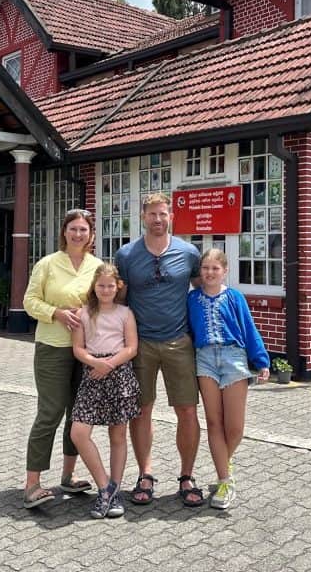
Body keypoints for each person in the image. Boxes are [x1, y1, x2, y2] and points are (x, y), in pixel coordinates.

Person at [115, 192, 204, 507]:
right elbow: (119, 301)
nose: (157, 220)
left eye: (163, 214)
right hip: (141, 345)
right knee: (142, 411)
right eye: (152, 214)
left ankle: (187, 476)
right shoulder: (126, 255)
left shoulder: (189, 252)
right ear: (143, 217)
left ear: (171, 217)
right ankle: (146, 474)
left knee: (188, 410)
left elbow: (202, 292)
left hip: (180, 342)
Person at [21, 209, 101, 509]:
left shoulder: (97, 266)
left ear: (91, 234)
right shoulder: (47, 264)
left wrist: (90, 313)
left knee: (77, 414)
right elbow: (29, 301)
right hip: (52, 347)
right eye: (73, 229)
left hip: (86, 350)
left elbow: (105, 301)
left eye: (84, 230)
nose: (78, 234)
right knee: (50, 412)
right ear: (64, 232)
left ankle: (69, 475)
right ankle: (32, 484)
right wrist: (55, 312)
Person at [188, 248, 270, 510]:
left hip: (234, 358)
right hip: (205, 359)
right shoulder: (192, 299)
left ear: (225, 271)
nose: (210, 273)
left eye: (215, 268)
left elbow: (249, 328)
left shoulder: (235, 297)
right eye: (205, 268)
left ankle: (225, 463)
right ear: (199, 272)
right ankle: (225, 481)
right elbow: (187, 330)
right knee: (214, 422)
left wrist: (262, 360)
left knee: (234, 427)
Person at [70, 263, 139, 519]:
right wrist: (95, 363)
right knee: (79, 432)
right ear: (94, 287)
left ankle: (116, 489)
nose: (106, 289)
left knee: (118, 435)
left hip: (118, 374)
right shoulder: (84, 313)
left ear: (118, 287)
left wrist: (108, 365)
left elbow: (131, 347)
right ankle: (104, 486)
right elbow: (78, 348)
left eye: (111, 285)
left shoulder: (125, 313)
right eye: (101, 285)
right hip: (93, 373)